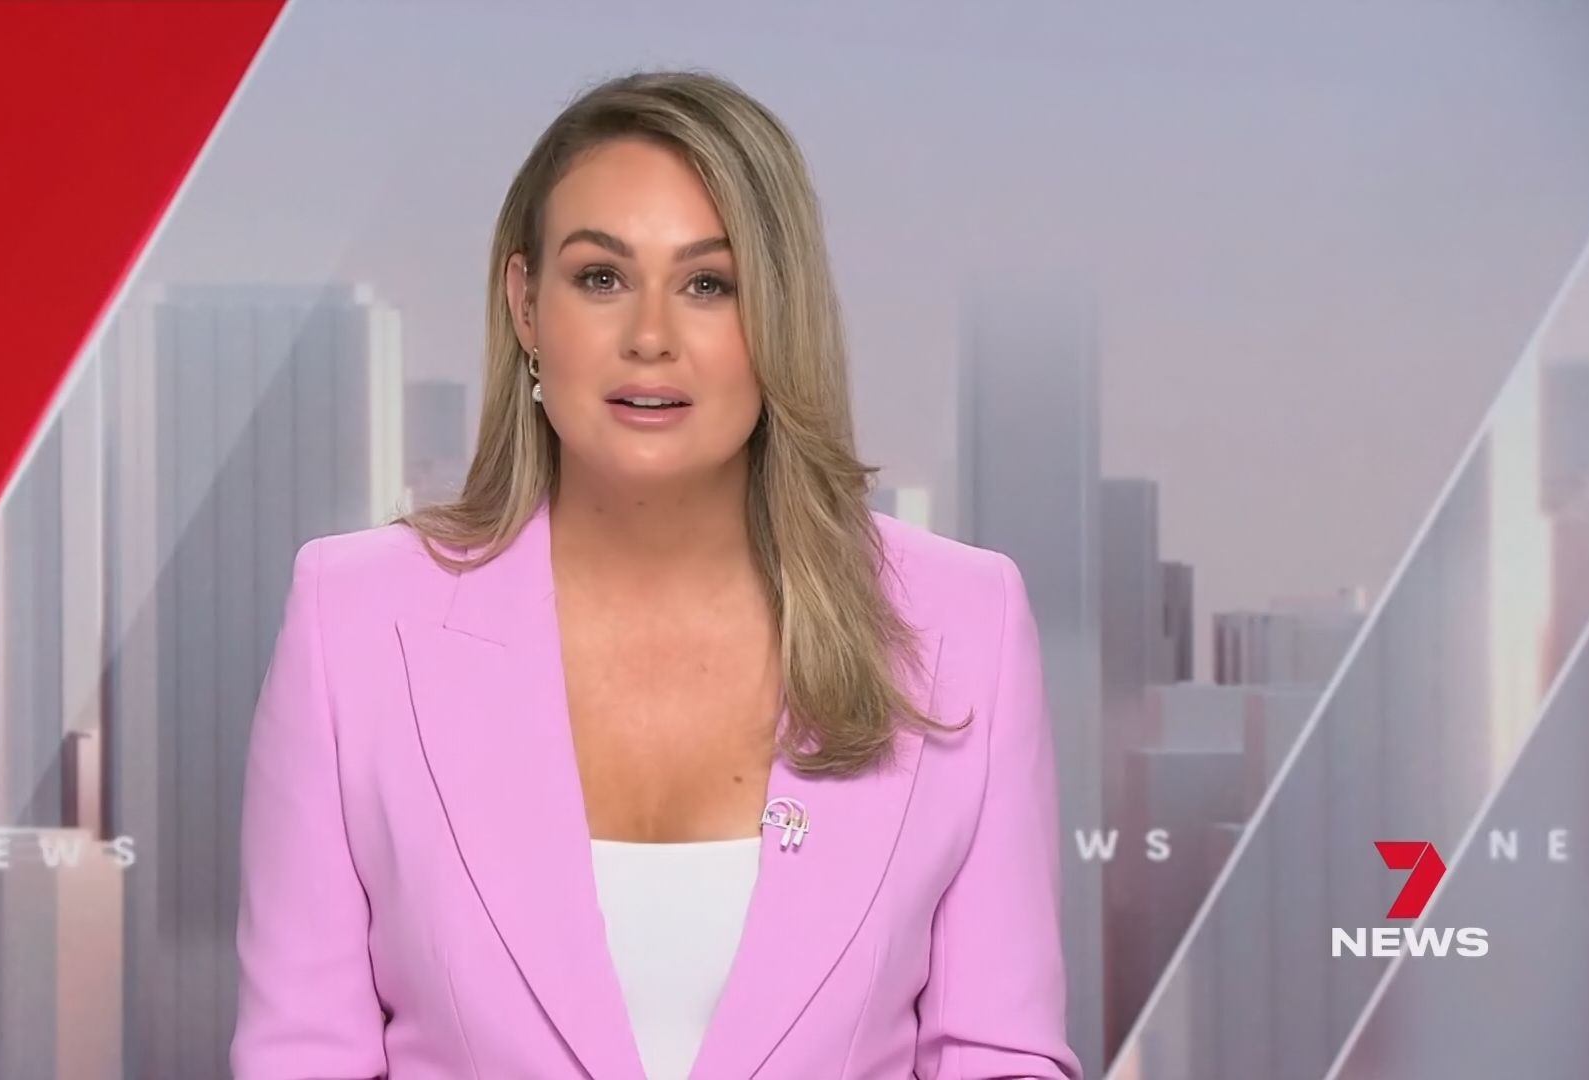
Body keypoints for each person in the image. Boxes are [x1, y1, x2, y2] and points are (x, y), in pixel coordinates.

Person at [230, 68, 1080, 1080]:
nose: (649, 338)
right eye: (601, 278)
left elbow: (997, 1055)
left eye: (708, 285)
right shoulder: (353, 621)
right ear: (526, 306)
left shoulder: (963, 622)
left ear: (779, 315)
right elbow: (303, 1058)